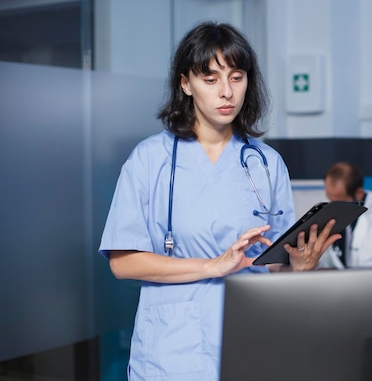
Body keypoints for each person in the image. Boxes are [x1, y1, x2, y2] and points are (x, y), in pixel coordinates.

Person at [98, 21, 340, 381]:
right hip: (172, 353)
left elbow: (272, 263)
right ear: (186, 84)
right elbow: (123, 263)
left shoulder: (267, 163)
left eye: (236, 77)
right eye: (210, 79)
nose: (226, 92)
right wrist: (215, 265)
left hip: (252, 338)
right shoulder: (150, 160)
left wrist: (299, 268)